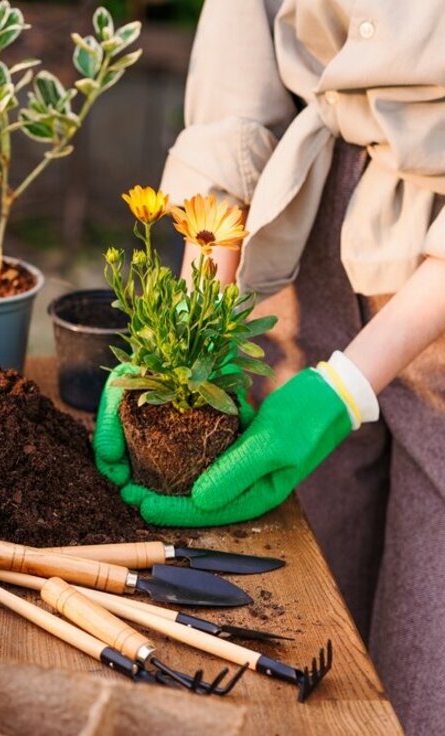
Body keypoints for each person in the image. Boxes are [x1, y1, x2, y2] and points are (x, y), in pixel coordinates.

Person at [92, 1, 445, 733]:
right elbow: (239, 62)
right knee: (293, 606)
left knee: (424, 677)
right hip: (302, 216)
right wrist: (188, 328)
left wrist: (348, 385)